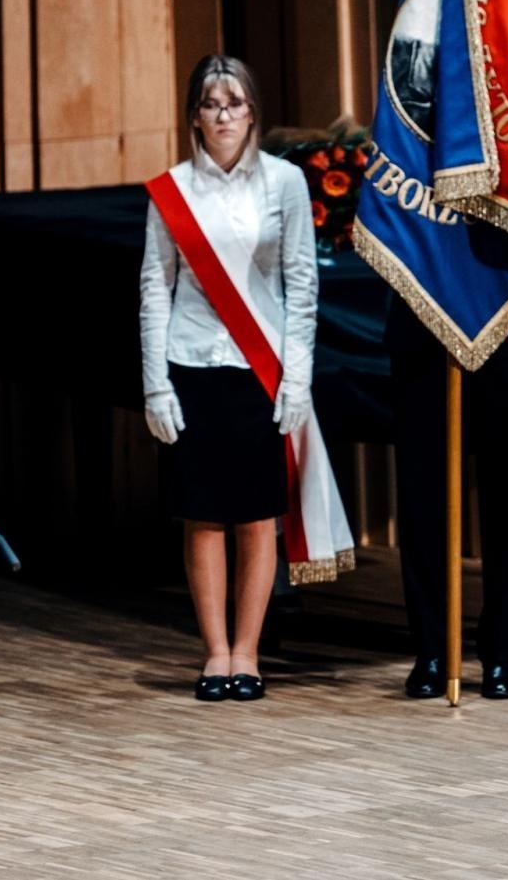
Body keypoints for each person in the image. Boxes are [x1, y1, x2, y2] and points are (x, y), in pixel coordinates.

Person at [139, 54, 318, 703]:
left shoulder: (285, 183)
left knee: (255, 517)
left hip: (258, 368)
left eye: (235, 102)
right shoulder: (172, 190)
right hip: (191, 364)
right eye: (212, 103)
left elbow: (303, 283)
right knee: (203, 516)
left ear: (253, 112)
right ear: (194, 115)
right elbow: (155, 287)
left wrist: (296, 378)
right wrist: (155, 381)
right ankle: (214, 651)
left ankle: (249, 651)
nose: (223, 114)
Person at [388, 81, 508, 704]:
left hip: (503, 323)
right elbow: (389, 213)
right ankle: (433, 650)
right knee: (423, 498)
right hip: (420, 324)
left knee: (507, 500)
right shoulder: (410, 101)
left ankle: (499, 651)